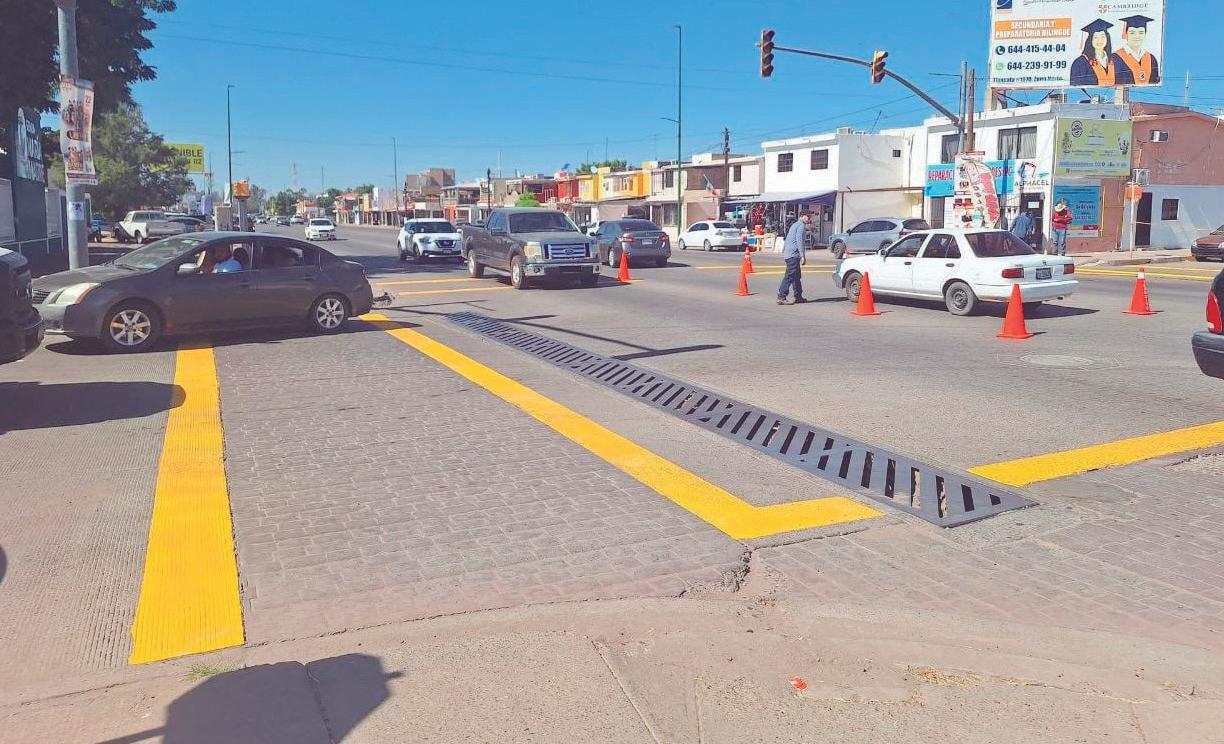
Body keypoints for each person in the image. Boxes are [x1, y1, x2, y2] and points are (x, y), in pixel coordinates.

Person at [777, 210, 812, 305]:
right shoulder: (801, 226)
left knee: (796, 276)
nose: (809, 218)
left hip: (789, 254)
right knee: (789, 276)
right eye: (808, 216)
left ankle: (798, 296)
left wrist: (785, 251)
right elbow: (799, 241)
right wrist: (802, 255)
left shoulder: (795, 225)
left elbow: (788, 238)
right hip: (793, 255)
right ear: (802, 216)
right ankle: (781, 296)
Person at [1113, 15, 1160, 85]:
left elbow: (1155, 83)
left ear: (1145, 34)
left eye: (1141, 32)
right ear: (1126, 33)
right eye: (1132, 32)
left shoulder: (1151, 59)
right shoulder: (1114, 58)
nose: (1137, 36)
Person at [1069, 19, 1117, 87]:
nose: (1099, 40)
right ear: (1090, 40)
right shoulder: (1080, 63)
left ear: (1107, 38)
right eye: (1095, 37)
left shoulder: (1114, 60)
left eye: (1102, 36)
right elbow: (1076, 89)